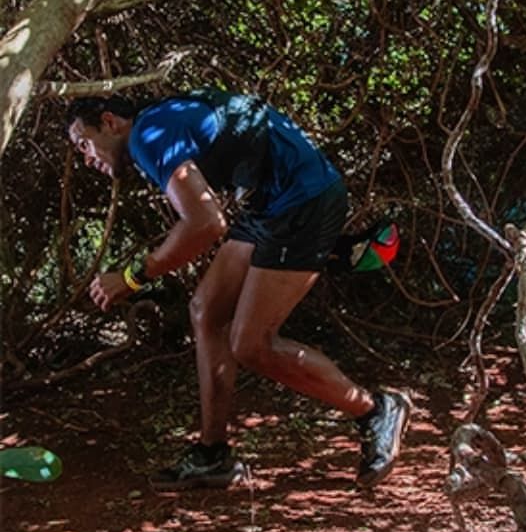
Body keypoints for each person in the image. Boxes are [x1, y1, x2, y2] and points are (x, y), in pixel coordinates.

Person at [66, 89, 410, 490]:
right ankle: (213, 455)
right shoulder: (162, 121)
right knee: (206, 311)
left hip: (302, 200)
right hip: (269, 202)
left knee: (251, 344)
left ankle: (374, 410)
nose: (87, 158)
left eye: (84, 143)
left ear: (110, 122)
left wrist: (130, 278)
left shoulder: (148, 134)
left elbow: (207, 223)